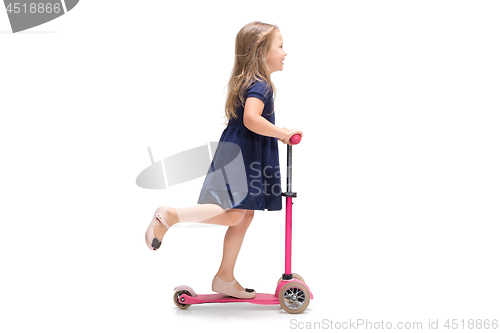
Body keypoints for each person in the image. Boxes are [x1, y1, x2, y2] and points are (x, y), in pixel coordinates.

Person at [145, 21, 303, 299]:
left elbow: (250, 120)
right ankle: (170, 216)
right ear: (261, 52)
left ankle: (225, 277)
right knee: (232, 213)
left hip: (243, 151)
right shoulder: (261, 86)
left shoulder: (252, 82)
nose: (285, 52)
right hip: (243, 155)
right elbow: (251, 119)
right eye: (280, 46)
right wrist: (282, 133)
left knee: (243, 215)